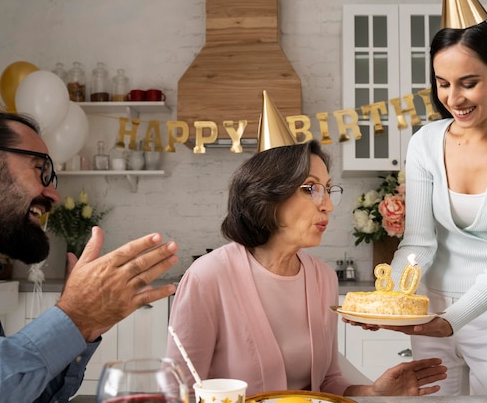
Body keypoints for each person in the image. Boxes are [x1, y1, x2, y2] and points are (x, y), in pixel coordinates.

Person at [351, 0, 487, 395]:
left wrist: (452, 319)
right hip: (428, 312)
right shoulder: (426, 141)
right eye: (443, 83)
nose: (453, 99)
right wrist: (389, 301)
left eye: (469, 82)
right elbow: (419, 244)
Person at [0, 110, 179, 402]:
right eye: (40, 170)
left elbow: (15, 394)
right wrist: (72, 316)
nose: (54, 195)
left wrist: (83, 328)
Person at [166, 139, 447, 396]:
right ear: (268, 196)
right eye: (312, 188)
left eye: (328, 190)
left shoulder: (322, 278)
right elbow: (179, 390)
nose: (327, 206)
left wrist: (375, 394)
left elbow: (326, 383)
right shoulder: (207, 277)